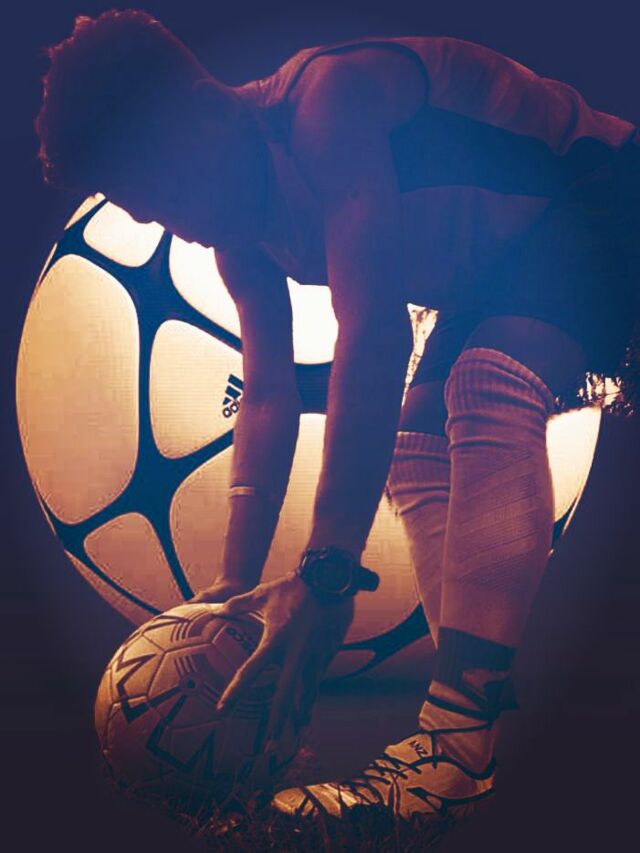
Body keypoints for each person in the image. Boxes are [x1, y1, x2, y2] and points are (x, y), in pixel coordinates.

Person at [36, 8, 640, 825]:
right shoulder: (235, 233)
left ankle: (456, 745)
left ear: (204, 109)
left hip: (603, 191)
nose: (171, 221)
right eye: (146, 209)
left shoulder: (327, 104)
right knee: (417, 453)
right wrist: (230, 590)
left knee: (488, 387)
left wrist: (327, 574)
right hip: (506, 265)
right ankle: (475, 718)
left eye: (165, 188)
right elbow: (268, 394)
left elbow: (376, 332)